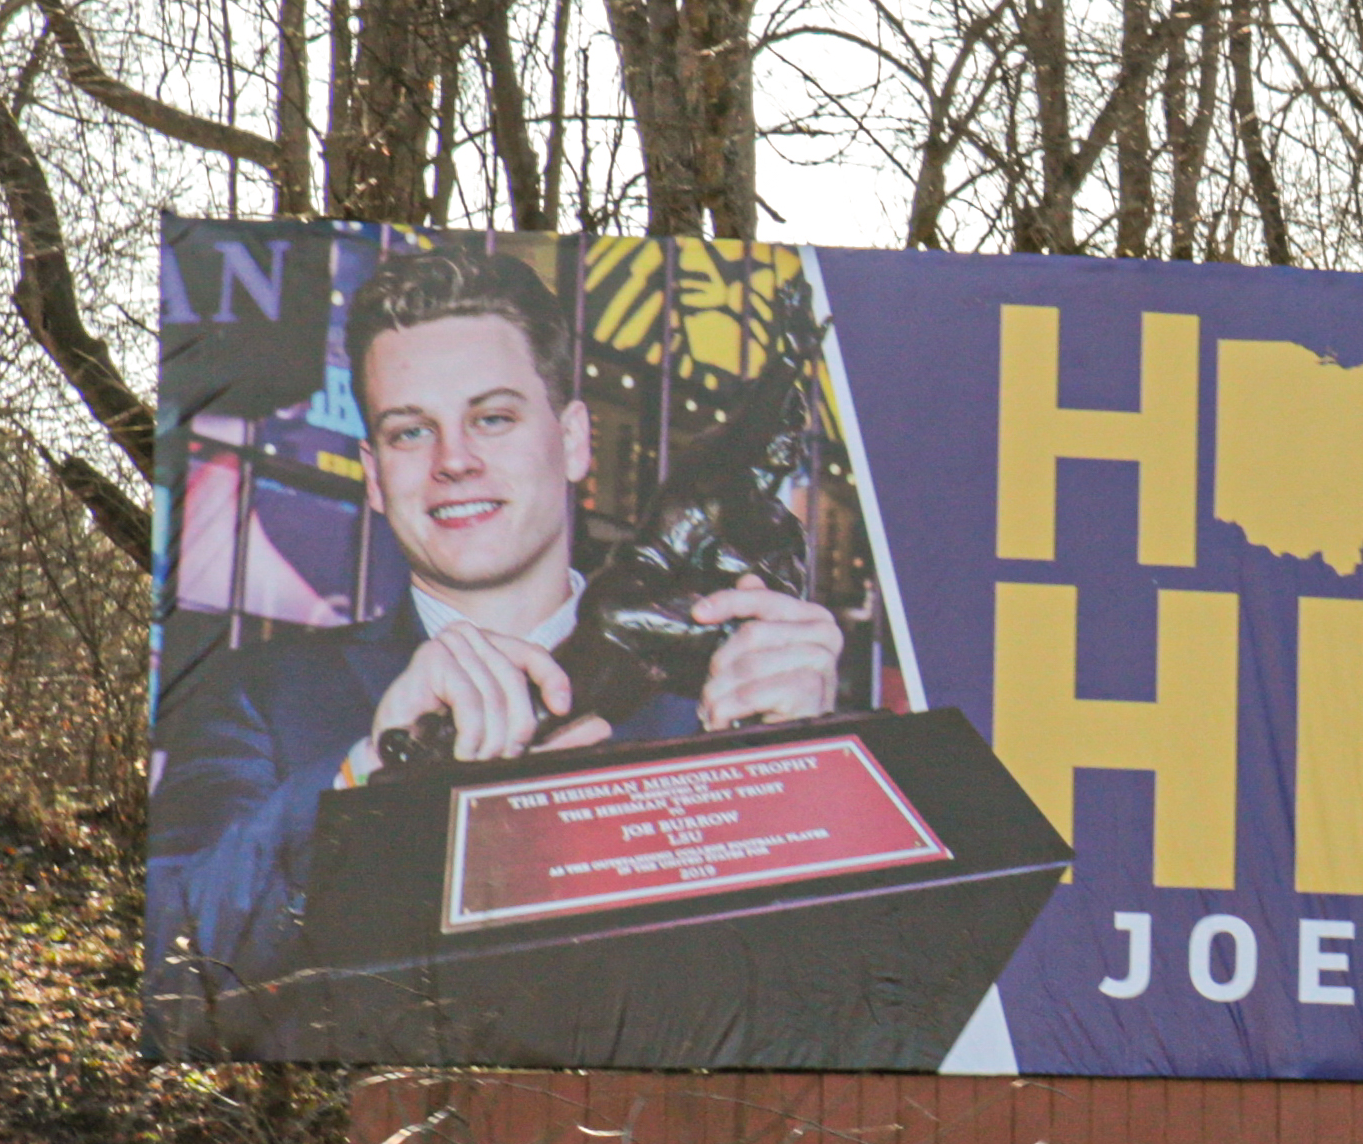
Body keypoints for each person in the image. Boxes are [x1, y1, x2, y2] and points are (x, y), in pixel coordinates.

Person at [148, 244, 843, 1015]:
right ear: (375, 477)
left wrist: (806, 783)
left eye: (493, 418)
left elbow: (826, 1007)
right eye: (411, 432)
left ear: (576, 441)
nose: (455, 460)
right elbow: (175, 971)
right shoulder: (265, 698)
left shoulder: (712, 699)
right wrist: (368, 774)